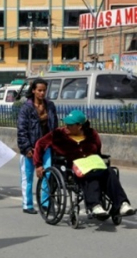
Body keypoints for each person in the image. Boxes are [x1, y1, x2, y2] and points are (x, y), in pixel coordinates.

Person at [34, 110, 135, 216]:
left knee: (110, 172)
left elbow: (98, 151)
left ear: (79, 126)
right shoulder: (57, 134)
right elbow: (39, 144)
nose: (66, 126)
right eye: (66, 123)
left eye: (70, 125)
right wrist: (38, 165)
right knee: (90, 175)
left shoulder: (92, 134)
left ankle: (122, 204)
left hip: (94, 165)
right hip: (72, 170)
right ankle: (95, 205)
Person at [17, 78, 58, 214]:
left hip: (46, 147)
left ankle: (46, 203)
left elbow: (55, 127)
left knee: (47, 174)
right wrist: (27, 148)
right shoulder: (26, 108)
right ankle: (27, 205)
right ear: (33, 90)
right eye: (39, 90)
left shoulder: (50, 106)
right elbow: (22, 130)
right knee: (27, 178)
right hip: (31, 147)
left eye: (44, 91)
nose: (42, 93)